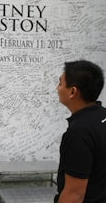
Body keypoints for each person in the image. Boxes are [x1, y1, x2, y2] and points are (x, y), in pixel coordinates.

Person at [55, 60, 106, 203]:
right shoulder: (103, 116)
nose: (57, 88)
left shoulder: (79, 133)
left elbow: (74, 195)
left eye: (60, 83)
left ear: (72, 92)